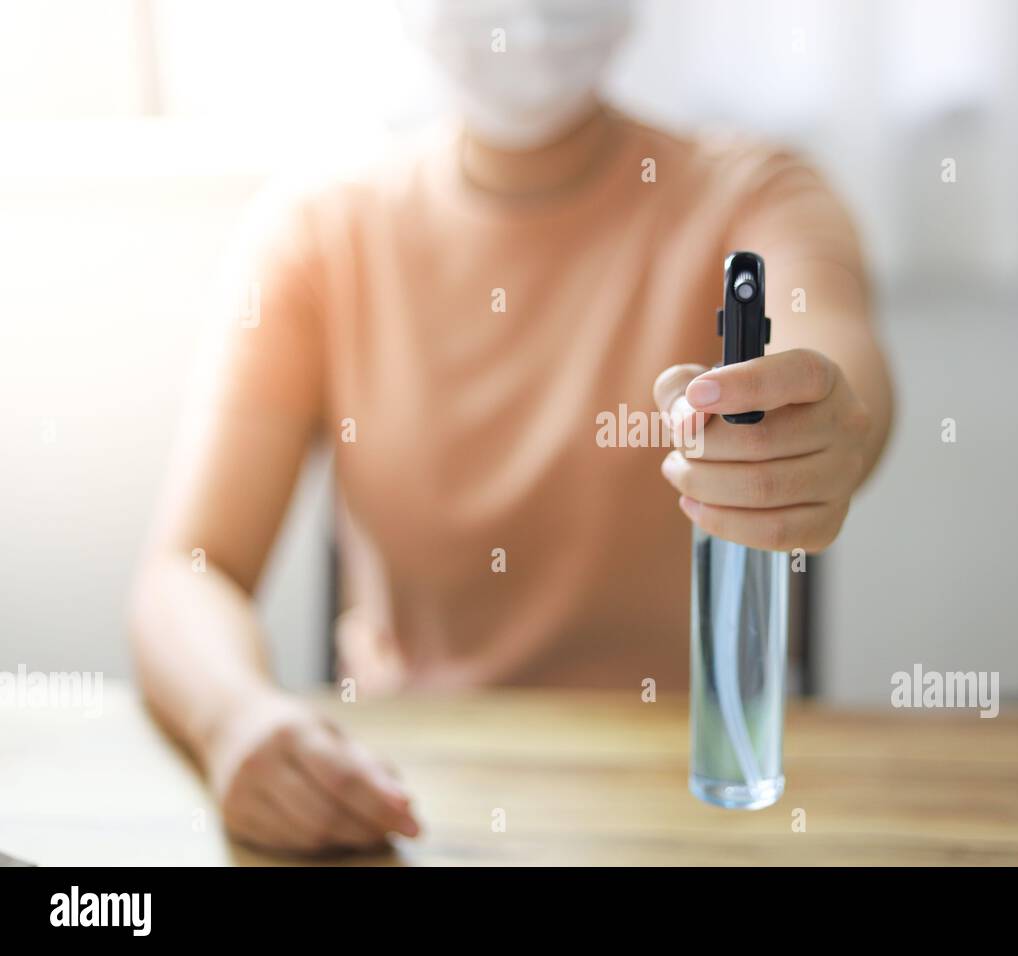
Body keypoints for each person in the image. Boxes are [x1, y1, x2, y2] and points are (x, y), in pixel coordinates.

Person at [129, 0, 893, 855]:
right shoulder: (321, 230)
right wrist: (237, 720)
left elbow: (839, 370)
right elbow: (187, 573)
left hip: (688, 809)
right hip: (410, 804)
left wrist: (824, 428)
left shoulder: (754, 192)